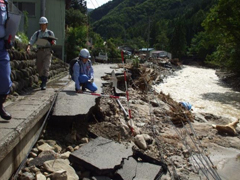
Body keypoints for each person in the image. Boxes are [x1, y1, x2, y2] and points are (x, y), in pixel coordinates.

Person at [26, 16, 56, 90]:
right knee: (39, 67)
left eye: (44, 24)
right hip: (39, 51)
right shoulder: (37, 33)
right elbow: (32, 40)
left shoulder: (50, 33)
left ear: (46, 25)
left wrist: (51, 41)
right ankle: (42, 79)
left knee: (46, 67)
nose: (42, 26)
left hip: (47, 52)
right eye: (41, 25)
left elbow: (54, 42)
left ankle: (44, 83)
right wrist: (29, 46)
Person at [0, 0, 12, 120]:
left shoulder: (5, 3)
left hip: (2, 45)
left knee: (5, 78)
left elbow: (8, 24)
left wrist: (10, 38)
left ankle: (0, 106)